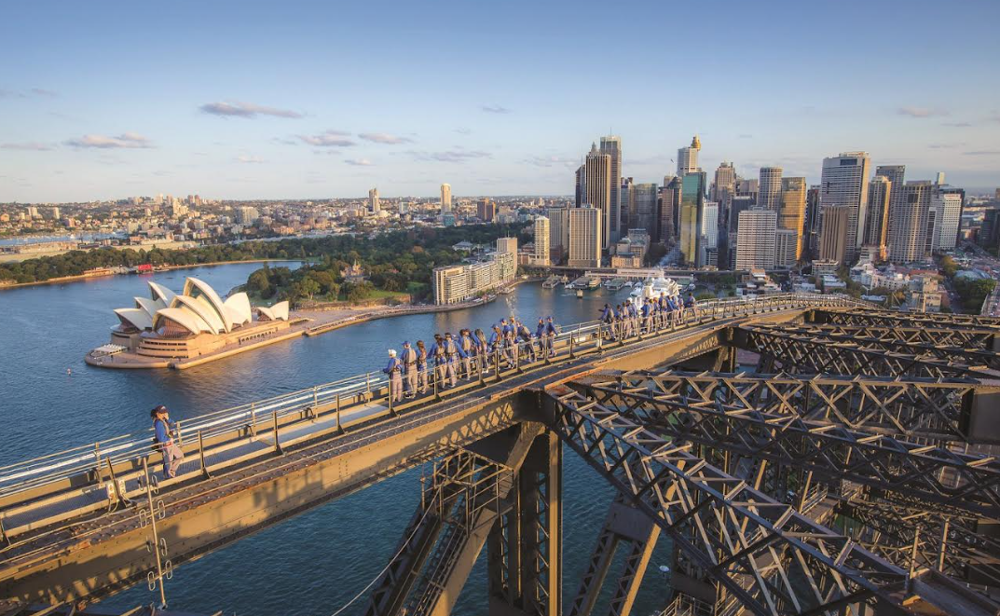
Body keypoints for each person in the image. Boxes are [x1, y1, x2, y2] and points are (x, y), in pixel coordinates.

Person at [151, 405, 184, 479]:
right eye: (162, 413)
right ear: (157, 413)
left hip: (170, 443)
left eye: (165, 412)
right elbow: (161, 438)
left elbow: (172, 424)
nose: (164, 414)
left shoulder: (164, 420)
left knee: (180, 455)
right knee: (169, 462)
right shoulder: (158, 423)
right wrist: (170, 437)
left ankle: (172, 472)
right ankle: (169, 477)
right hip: (166, 445)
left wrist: (168, 418)